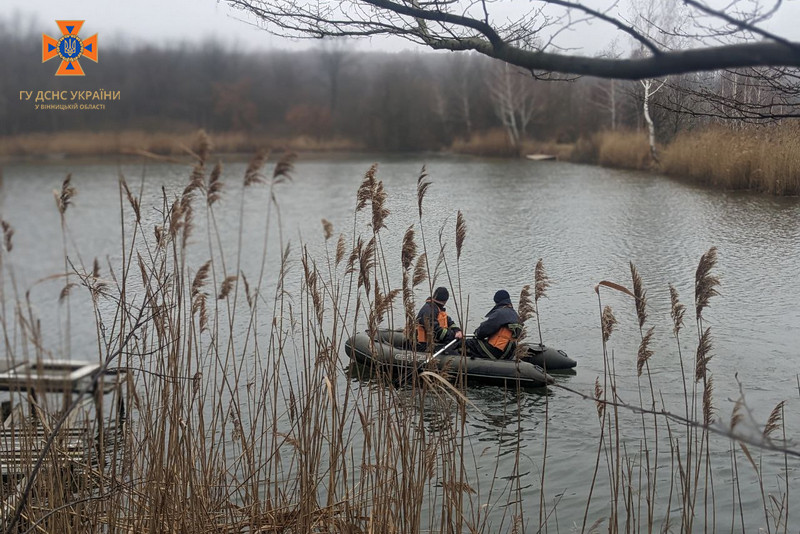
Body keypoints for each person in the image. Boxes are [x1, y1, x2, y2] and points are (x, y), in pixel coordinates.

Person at [467, 289, 523, 360]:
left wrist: (477, 333)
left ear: (497, 302)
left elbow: (483, 330)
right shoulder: (515, 315)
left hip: (496, 350)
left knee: (468, 343)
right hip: (509, 353)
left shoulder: (500, 313)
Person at [416, 286, 462, 351]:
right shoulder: (428, 310)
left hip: (435, 342)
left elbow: (449, 321)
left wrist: (456, 330)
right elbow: (435, 331)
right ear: (445, 301)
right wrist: (453, 334)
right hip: (423, 344)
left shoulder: (437, 308)